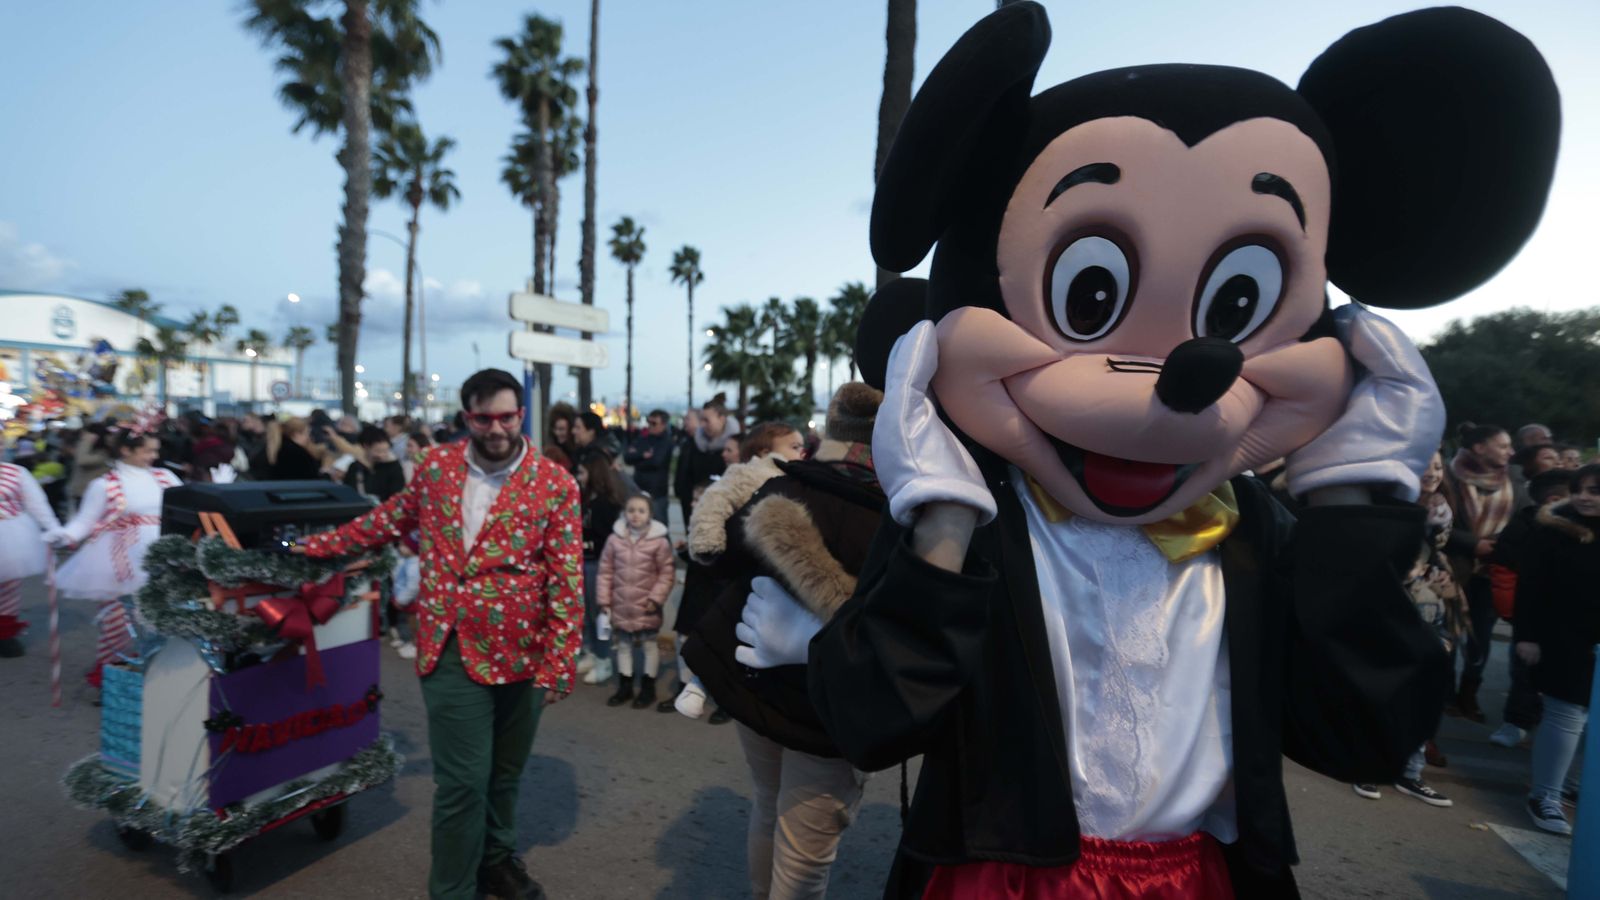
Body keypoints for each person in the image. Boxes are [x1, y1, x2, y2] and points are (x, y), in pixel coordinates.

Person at [297, 369, 582, 900]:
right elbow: (386, 522)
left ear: (521, 415)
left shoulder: (555, 483)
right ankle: (451, 890)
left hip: (524, 653)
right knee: (461, 784)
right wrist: (309, 548)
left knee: (504, 773)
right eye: (484, 417)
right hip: (450, 646)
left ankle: (495, 861)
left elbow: (566, 578)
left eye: (506, 416)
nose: (496, 428)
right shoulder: (435, 467)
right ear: (467, 417)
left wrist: (558, 661)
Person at [683, 383, 886, 899]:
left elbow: (719, 559)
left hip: (756, 682)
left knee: (769, 809)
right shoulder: (900, 513)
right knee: (802, 859)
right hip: (828, 708)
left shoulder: (786, 485)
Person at [45, 430, 179, 688]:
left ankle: (153, 676)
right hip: (119, 558)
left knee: (155, 618)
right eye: (147, 451)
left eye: (155, 450)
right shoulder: (105, 485)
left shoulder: (166, 477)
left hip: (161, 554)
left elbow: (189, 506)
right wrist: (63, 534)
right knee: (116, 620)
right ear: (126, 451)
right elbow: (85, 521)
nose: (154, 456)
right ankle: (110, 677)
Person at [1513, 464, 1600, 835]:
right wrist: (1527, 636)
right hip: (1562, 637)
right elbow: (1531, 586)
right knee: (1566, 715)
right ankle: (1545, 796)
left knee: (1590, 724)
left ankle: (1576, 786)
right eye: (1580, 489)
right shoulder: (1553, 528)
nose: (1584, 496)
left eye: (1594, 490)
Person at [1441, 422, 1528, 722]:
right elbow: (1435, 520)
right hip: (1452, 570)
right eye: (1503, 446)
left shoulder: (1515, 479)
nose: (1511, 451)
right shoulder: (1447, 476)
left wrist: (1498, 547)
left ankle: (1469, 694)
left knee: (1482, 636)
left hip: (1492, 572)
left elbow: (1524, 523)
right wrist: (1472, 543)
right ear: (1479, 448)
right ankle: (1445, 693)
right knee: (1448, 633)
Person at [598, 494, 675, 709]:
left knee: (649, 646)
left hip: (646, 606)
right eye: (631, 510)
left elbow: (666, 573)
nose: (635, 515)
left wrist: (656, 599)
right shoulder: (614, 539)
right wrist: (604, 601)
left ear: (650, 514)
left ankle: (647, 688)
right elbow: (605, 571)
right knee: (623, 645)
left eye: (641, 510)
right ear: (624, 513)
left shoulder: (659, 542)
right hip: (620, 604)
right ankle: (625, 686)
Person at [0, 460, 63, 657]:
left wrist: (54, 529)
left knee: (9, 587)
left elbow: (36, 503)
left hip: (10, 535)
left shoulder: (16, 472)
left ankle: (4, 635)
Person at [576, 454, 625, 686]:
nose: (579, 477)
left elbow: (607, 539)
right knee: (587, 613)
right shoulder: (586, 500)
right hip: (584, 563)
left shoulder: (605, 504)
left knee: (600, 616)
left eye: (583, 473)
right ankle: (593, 653)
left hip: (599, 565)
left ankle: (604, 658)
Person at [674, 396, 739, 527]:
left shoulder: (737, 444)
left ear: (722, 418)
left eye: (706, 420)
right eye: (701, 420)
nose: (702, 425)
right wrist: (683, 493)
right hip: (691, 505)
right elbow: (684, 471)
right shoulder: (694, 442)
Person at [624, 409, 675, 526]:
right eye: (649, 422)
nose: (650, 426)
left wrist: (638, 459)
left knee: (659, 526)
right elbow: (627, 457)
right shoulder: (643, 438)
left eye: (654, 423)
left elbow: (656, 461)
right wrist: (643, 455)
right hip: (639, 488)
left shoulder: (666, 441)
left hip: (657, 492)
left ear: (663, 424)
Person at [345, 425, 407, 502]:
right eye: (378, 451)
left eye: (385, 451)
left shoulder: (393, 466)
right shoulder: (356, 467)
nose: (382, 455)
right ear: (366, 446)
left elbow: (397, 494)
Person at [254, 417, 325, 481]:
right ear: (297, 434)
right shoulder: (298, 454)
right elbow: (312, 479)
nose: (309, 438)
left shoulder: (273, 448)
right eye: (307, 434)